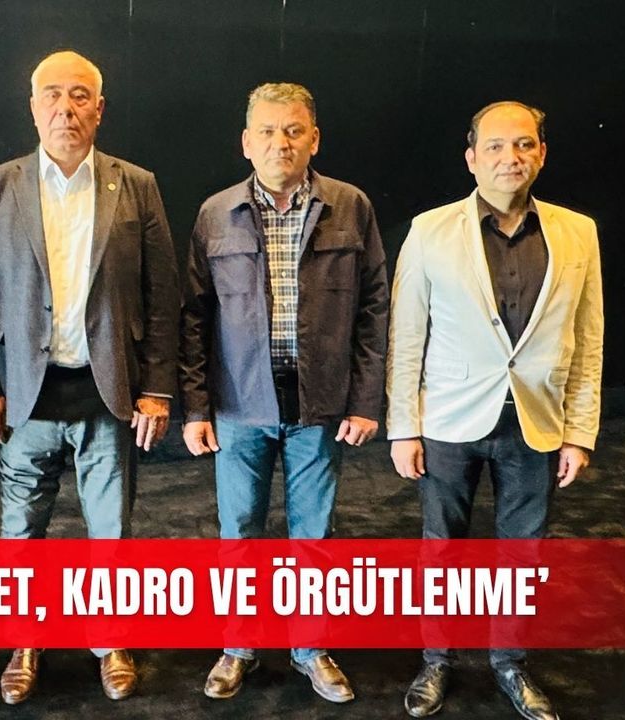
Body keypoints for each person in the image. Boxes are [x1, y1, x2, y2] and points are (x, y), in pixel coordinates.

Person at [0, 50, 180, 704]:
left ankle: (110, 642)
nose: (66, 108)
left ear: (99, 109)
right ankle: (24, 644)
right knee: (21, 532)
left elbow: (162, 293)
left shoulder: (135, 185)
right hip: (27, 395)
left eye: (80, 95)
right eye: (52, 95)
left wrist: (156, 389)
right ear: (33, 107)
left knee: (110, 532)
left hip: (108, 392)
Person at [386, 100, 604, 720]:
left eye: (525, 144)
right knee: (442, 550)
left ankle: (510, 663)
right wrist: (403, 427)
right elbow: (406, 336)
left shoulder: (578, 232)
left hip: (537, 421)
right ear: (472, 157)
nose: (512, 156)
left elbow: (588, 338)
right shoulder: (430, 230)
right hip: (447, 419)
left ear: (542, 153)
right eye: (497, 146)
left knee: (523, 553)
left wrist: (580, 432)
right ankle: (437, 661)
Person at [178, 82, 389, 704]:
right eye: (267, 132)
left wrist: (365, 401)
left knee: (313, 535)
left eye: (294, 131)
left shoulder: (351, 206)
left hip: (320, 404)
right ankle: (238, 647)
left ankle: (310, 648)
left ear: (313, 139)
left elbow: (374, 308)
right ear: (246, 142)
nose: (281, 143)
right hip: (239, 406)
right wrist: (195, 407)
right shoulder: (216, 213)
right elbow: (194, 317)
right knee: (239, 530)